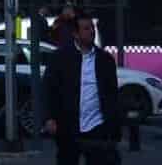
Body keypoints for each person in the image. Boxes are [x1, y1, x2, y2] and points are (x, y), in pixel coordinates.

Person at [43, 12, 120, 165]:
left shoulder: (105, 60)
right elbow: (49, 89)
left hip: (97, 127)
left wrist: (113, 125)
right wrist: (49, 118)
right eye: (86, 29)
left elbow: (112, 94)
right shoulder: (60, 58)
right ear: (75, 34)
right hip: (68, 126)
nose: (91, 32)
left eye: (92, 28)